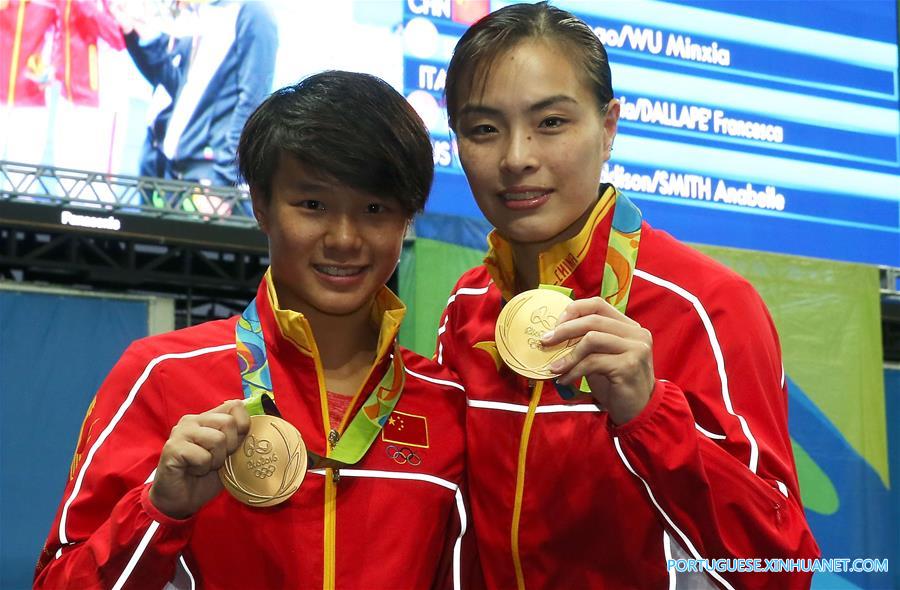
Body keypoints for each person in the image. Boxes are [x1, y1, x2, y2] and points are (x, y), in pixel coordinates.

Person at [435, 3, 819, 589]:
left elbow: (782, 567)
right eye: (484, 129)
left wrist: (648, 415)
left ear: (609, 126)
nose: (517, 157)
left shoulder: (707, 306)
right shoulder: (467, 307)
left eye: (552, 122)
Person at [35, 71, 469, 589]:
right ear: (261, 206)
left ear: (407, 220)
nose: (345, 238)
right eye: (313, 205)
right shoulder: (163, 376)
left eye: (375, 209)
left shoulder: (445, 403)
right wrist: (158, 511)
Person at [114, 0, 277, 187]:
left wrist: (224, 181)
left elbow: (253, 103)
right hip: (164, 166)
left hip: (207, 175)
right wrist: (137, 35)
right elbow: (174, 83)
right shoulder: (200, 12)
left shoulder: (253, 13)